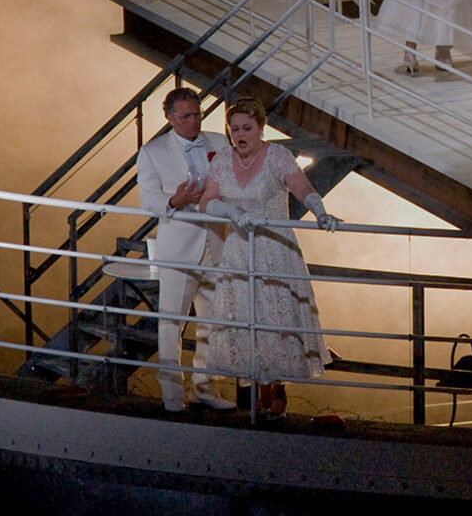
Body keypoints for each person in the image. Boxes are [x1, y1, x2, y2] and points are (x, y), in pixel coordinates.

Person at [199, 97, 338, 420]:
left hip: (275, 248)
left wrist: (320, 211)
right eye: (234, 129)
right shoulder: (222, 159)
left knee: (275, 319)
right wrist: (232, 211)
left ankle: (276, 389)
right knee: (246, 317)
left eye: (247, 128)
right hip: (239, 249)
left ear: (261, 129)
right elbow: (206, 201)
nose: (240, 134)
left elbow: (302, 186)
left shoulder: (277, 156)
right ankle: (258, 390)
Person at [134, 87, 238, 413]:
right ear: (169, 118)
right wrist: (172, 200)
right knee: (171, 323)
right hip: (178, 246)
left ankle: (204, 388)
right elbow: (147, 197)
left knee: (214, 322)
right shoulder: (153, 151)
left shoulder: (220, 143)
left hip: (216, 243)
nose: (193, 121)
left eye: (197, 115)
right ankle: (172, 395)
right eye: (185, 116)